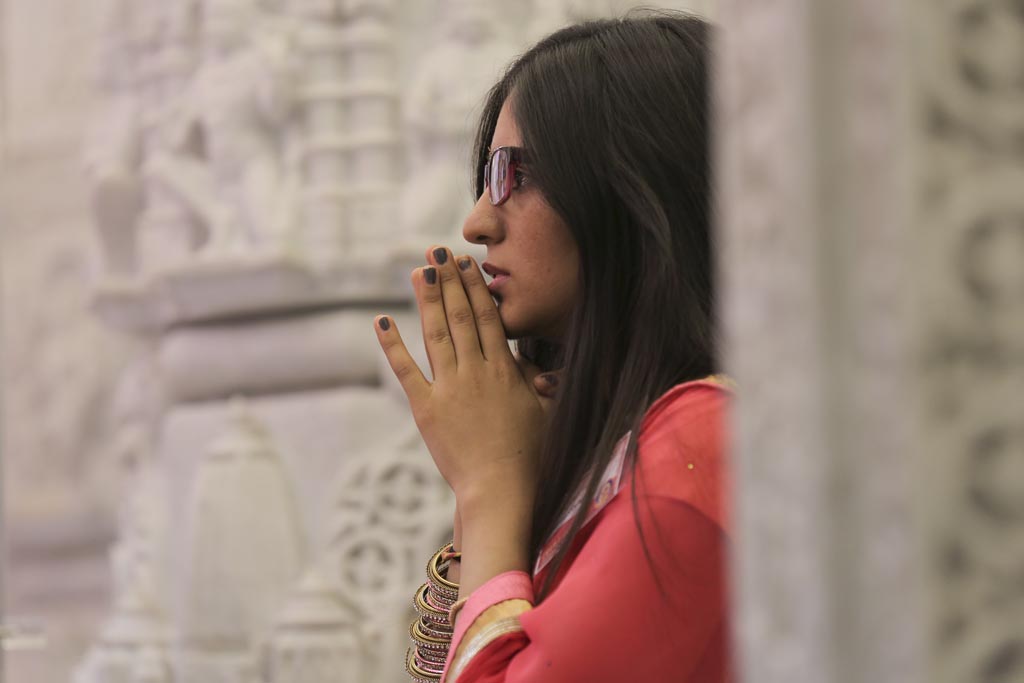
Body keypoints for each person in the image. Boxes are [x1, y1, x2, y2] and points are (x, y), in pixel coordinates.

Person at [374, 11, 730, 683]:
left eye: (515, 174)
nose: (477, 222)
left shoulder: (704, 438)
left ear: (635, 188)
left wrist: (489, 485)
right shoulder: (637, 445)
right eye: (486, 179)